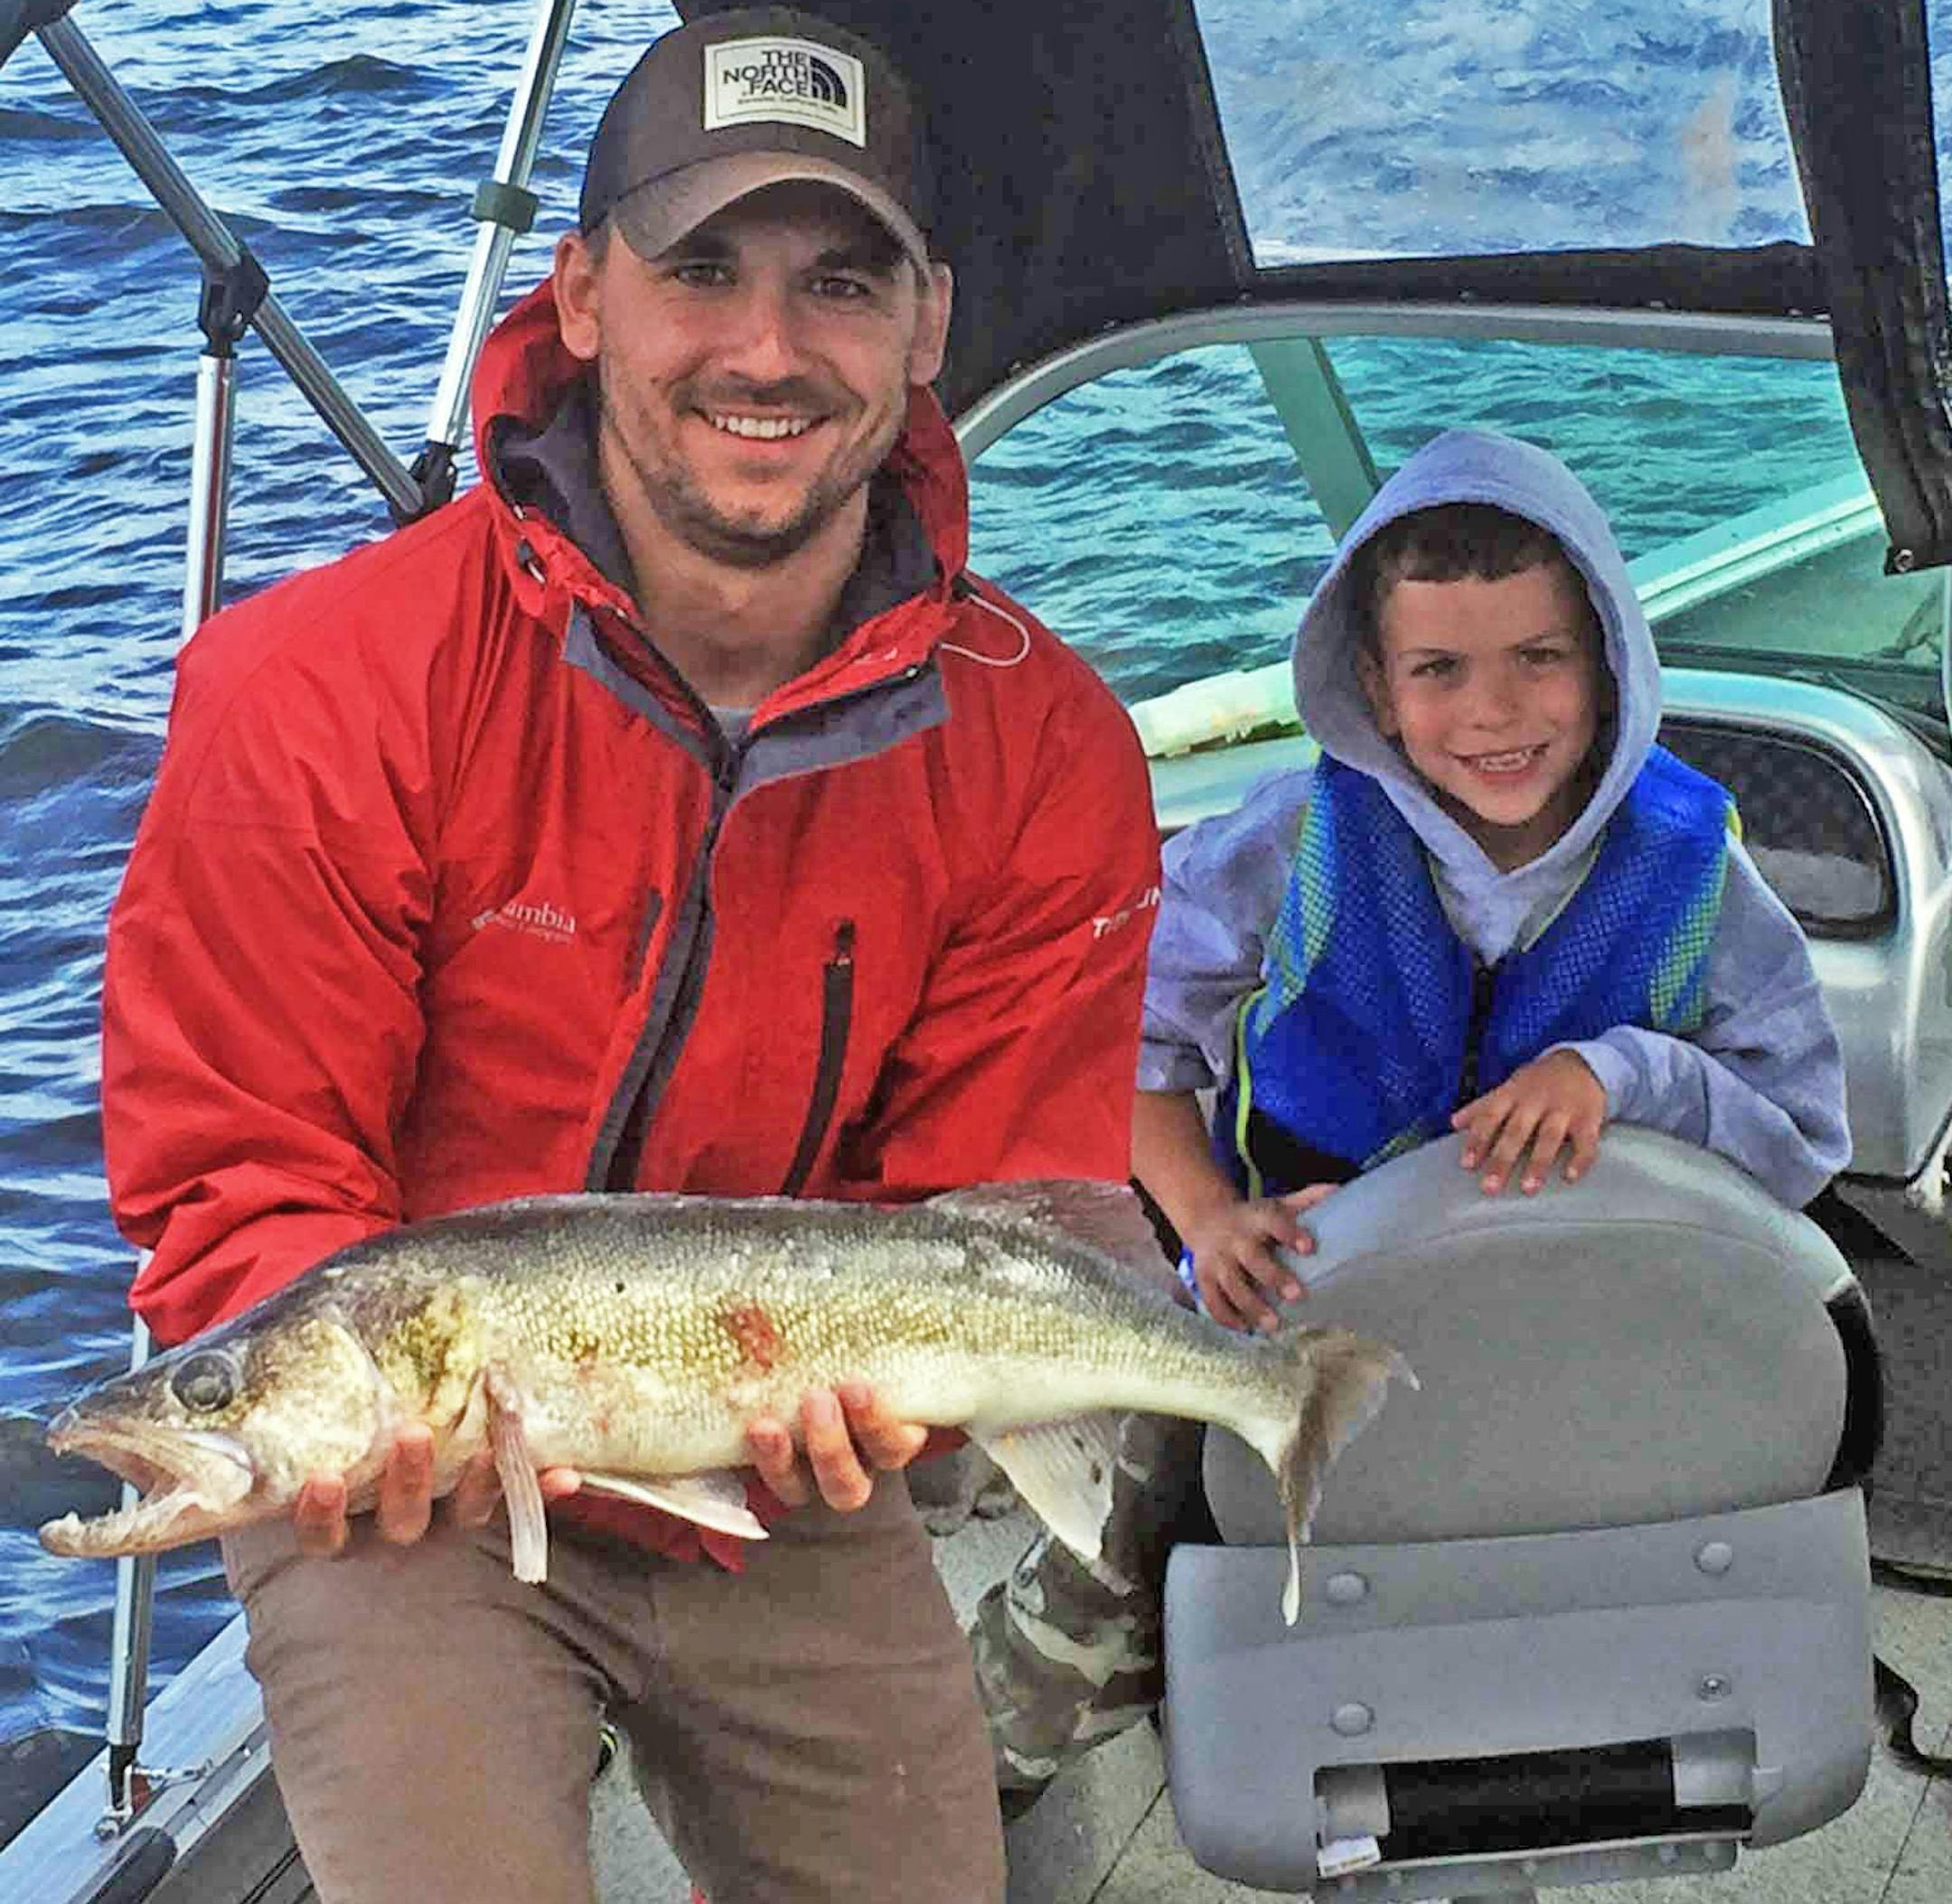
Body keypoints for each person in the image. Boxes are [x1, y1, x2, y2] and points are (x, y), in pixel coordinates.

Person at [98, 10, 1160, 1902]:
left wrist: (892, 1435)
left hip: (779, 1469)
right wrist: (336, 1396)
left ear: (927, 330)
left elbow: (1000, 1201)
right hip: (395, 1484)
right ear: (581, 294)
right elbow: (247, 1178)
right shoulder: (318, 687)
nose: (766, 349)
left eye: (841, 280)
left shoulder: (1047, 746)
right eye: (701, 271)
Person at [971, 424, 1850, 1798]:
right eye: (1441, 670)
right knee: (1113, 1561)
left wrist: (1623, 1073)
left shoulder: (1703, 878)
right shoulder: (1285, 841)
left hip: (1575, 1325)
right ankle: (985, 1771)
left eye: (1539, 659)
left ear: (1609, 660)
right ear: (1374, 689)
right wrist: (1209, 1218)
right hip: (1293, 1309)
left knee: (1547, 1588)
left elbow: (1802, 1142)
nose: (1495, 713)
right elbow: (1123, 1057)